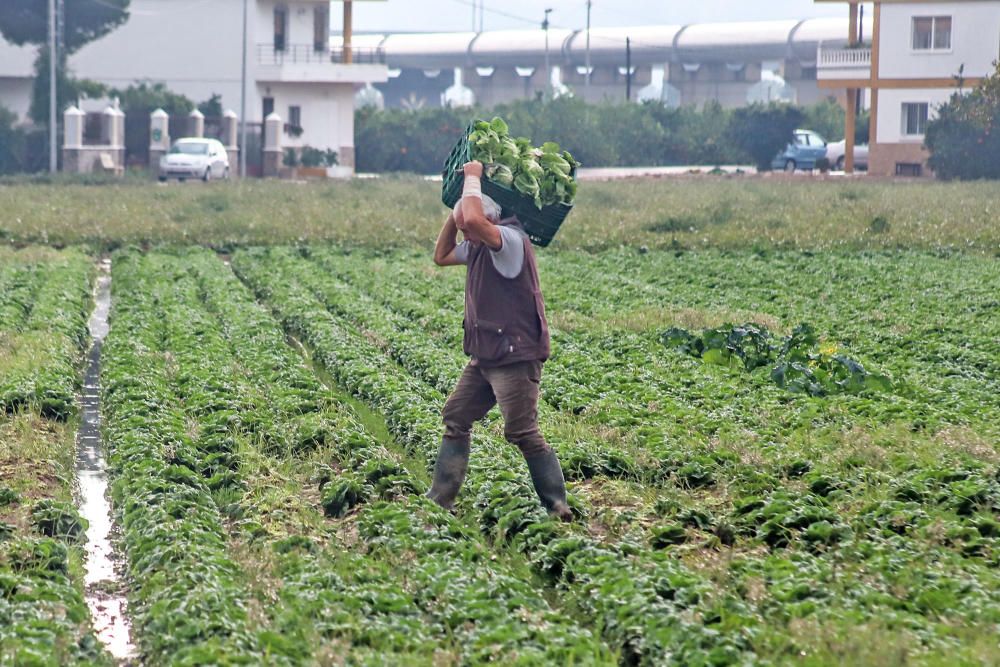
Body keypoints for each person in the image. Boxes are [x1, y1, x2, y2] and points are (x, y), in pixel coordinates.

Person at [427, 160, 573, 522]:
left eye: (470, 225)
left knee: (521, 431)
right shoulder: (478, 245)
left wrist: (473, 179)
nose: (466, 233)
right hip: (486, 355)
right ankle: (440, 499)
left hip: (515, 356)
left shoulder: (508, 241)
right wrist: (456, 208)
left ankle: (557, 505)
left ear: (489, 220)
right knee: (456, 416)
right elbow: (441, 255)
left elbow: (475, 223)